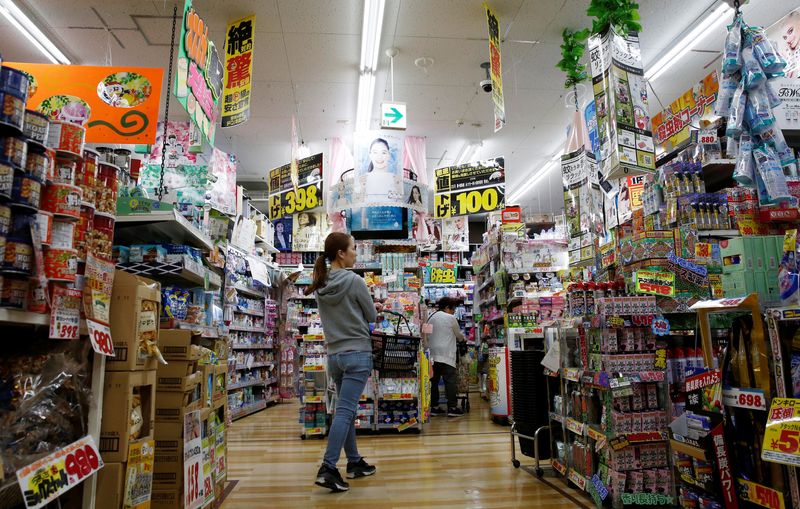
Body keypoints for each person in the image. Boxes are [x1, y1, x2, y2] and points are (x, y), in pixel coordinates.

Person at [307, 232, 379, 492]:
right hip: (357, 353)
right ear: (341, 253)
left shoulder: (320, 283)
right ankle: (328, 467)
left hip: (334, 355)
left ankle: (355, 461)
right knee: (345, 411)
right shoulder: (354, 280)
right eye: (353, 249)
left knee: (344, 410)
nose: (355, 253)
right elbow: (371, 315)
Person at [426, 297, 466, 417]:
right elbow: (459, 335)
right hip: (446, 354)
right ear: (447, 307)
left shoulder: (431, 317)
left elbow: (426, 335)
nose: (454, 312)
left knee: (433, 381)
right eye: (453, 309)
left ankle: (433, 407)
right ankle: (452, 407)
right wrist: (463, 339)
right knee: (450, 381)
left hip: (432, 354)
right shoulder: (451, 318)